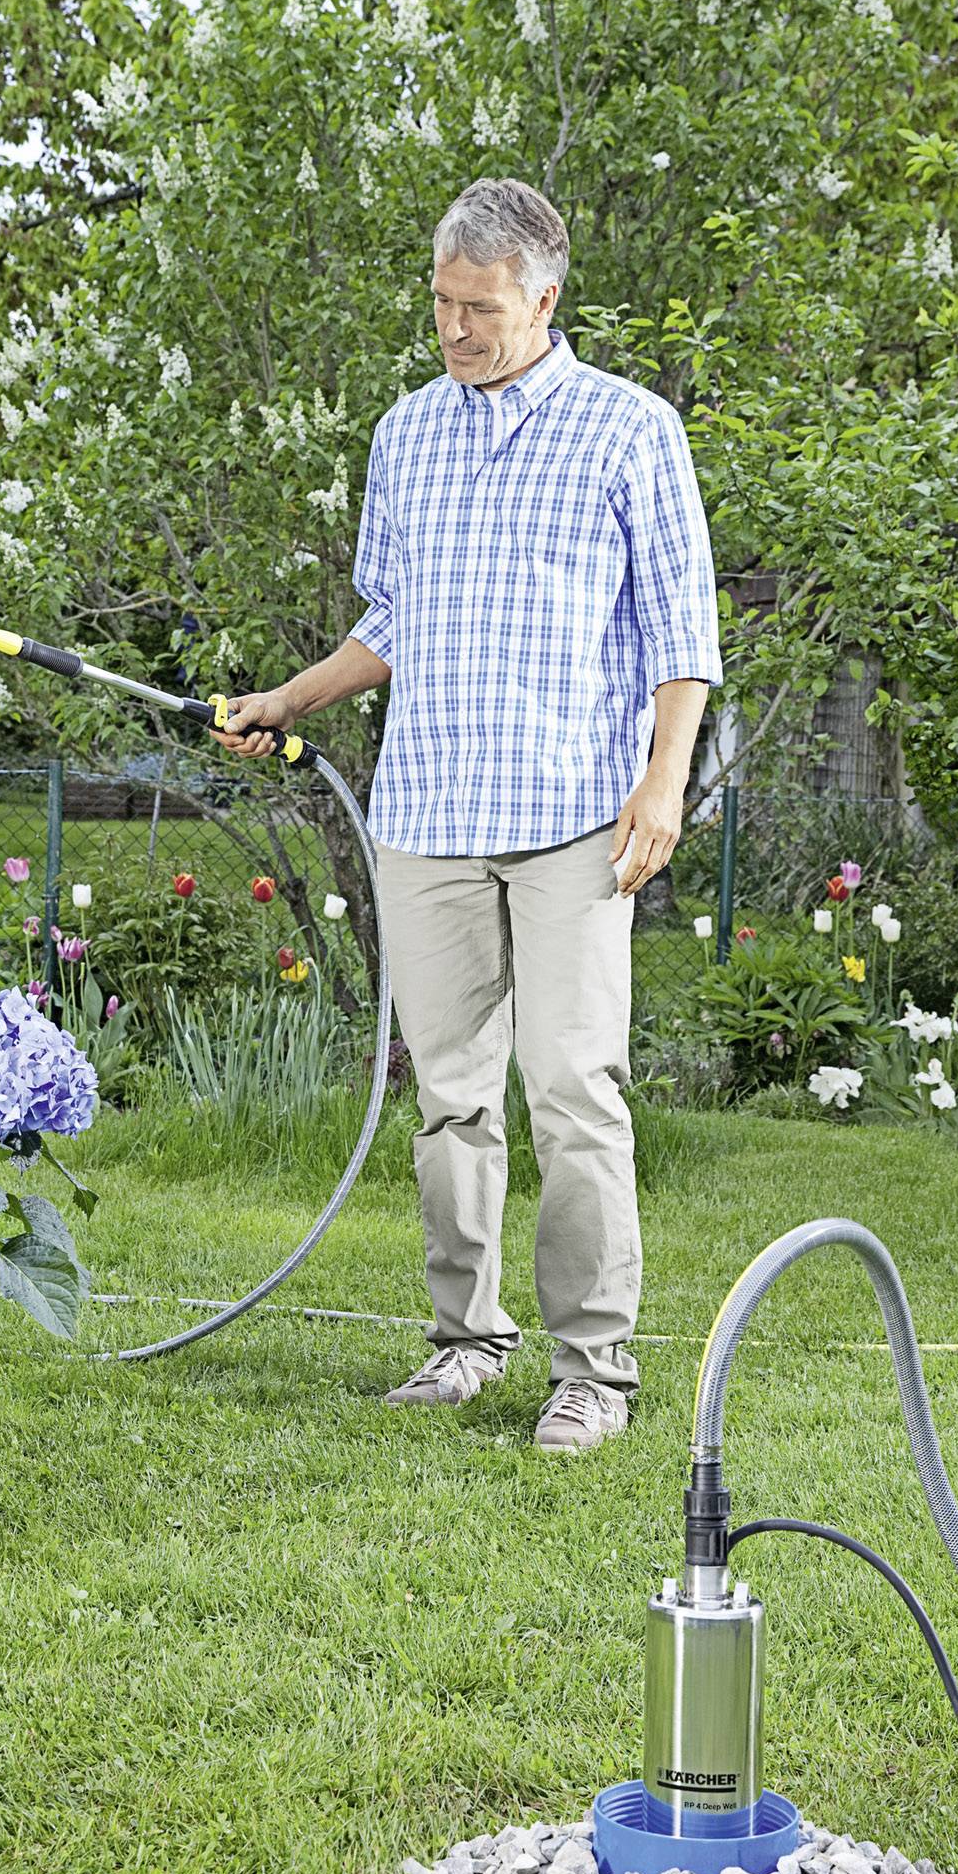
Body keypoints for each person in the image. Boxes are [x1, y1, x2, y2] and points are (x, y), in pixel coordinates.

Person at [217, 177, 722, 1452]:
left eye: (480, 308)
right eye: (441, 305)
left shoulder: (631, 430)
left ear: (544, 297)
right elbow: (389, 621)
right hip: (427, 810)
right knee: (450, 1097)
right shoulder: (406, 434)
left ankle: (593, 1371)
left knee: (572, 1088)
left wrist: (663, 782)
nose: (455, 329)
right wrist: (289, 695)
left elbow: (682, 631)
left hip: (571, 818)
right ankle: (464, 1343)